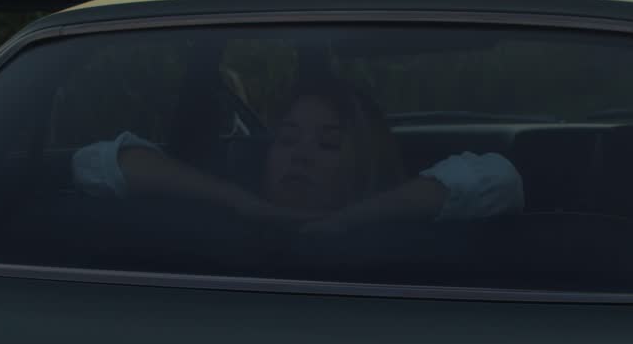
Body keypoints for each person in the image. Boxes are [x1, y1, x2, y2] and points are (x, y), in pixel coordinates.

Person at [71, 75, 524, 233]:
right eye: (287, 139)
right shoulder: (227, 215)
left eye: (327, 143)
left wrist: (355, 219)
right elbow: (95, 163)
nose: (300, 156)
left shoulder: (400, 229)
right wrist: (236, 201)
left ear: (365, 161)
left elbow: (499, 179)